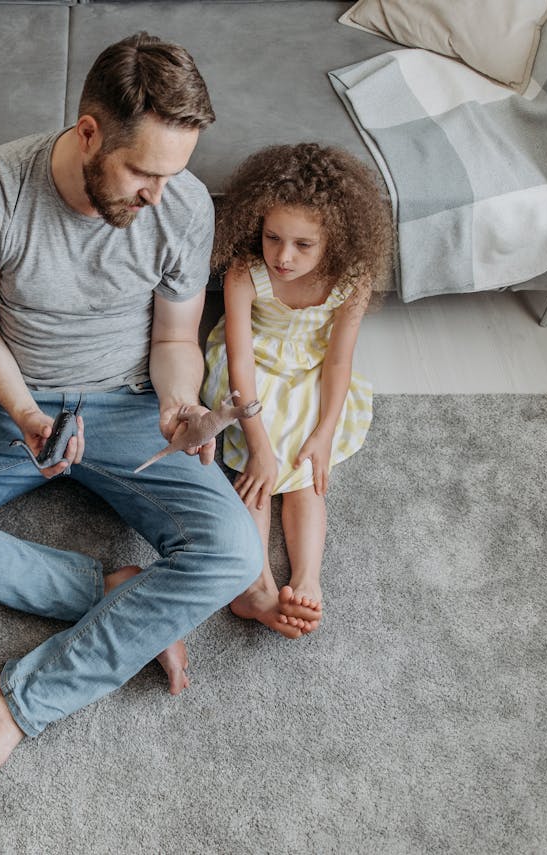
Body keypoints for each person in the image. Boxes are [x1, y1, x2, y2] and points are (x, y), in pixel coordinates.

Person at [0, 33, 258, 828]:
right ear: (89, 132)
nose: (158, 196)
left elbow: (174, 339)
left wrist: (178, 402)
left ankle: (17, 699)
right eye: (144, 172)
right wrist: (30, 415)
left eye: (173, 174)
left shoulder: (183, 203)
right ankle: (109, 594)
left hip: (129, 405)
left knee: (235, 553)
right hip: (16, 404)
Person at [199, 142, 393, 637]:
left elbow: (338, 360)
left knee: (306, 472)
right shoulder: (247, 272)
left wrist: (325, 431)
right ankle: (257, 583)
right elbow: (241, 360)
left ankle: (307, 579)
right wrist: (259, 444)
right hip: (251, 371)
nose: (283, 257)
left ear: (336, 242)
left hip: (310, 368)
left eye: (303, 245)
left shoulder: (352, 280)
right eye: (273, 237)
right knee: (257, 472)